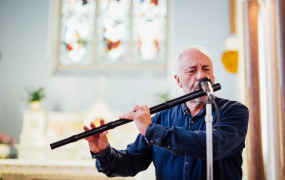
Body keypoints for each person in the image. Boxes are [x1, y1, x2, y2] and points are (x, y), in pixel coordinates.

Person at [83, 46, 249, 180]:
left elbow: (212, 146)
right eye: (191, 71)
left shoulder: (233, 112)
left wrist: (151, 130)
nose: (201, 76)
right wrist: (102, 151)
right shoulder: (161, 119)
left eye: (206, 69)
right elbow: (132, 162)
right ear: (178, 80)